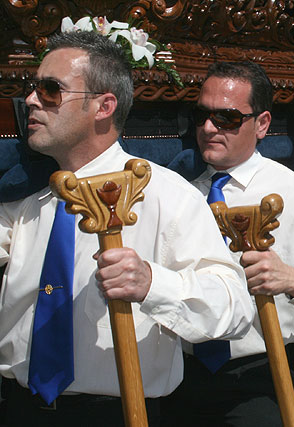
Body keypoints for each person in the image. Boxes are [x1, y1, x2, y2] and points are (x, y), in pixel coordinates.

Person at [0, 31, 254, 426]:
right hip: (16, 409)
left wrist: (153, 283)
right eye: (32, 88)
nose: (31, 100)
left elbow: (234, 306)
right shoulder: (20, 196)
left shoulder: (166, 196)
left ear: (103, 106)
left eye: (51, 90)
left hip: (115, 414)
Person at [163, 60, 294, 426]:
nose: (209, 128)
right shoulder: (176, 193)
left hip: (266, 377)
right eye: (201, 115)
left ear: (261, 124)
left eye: (226, 118)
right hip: (183, 375)